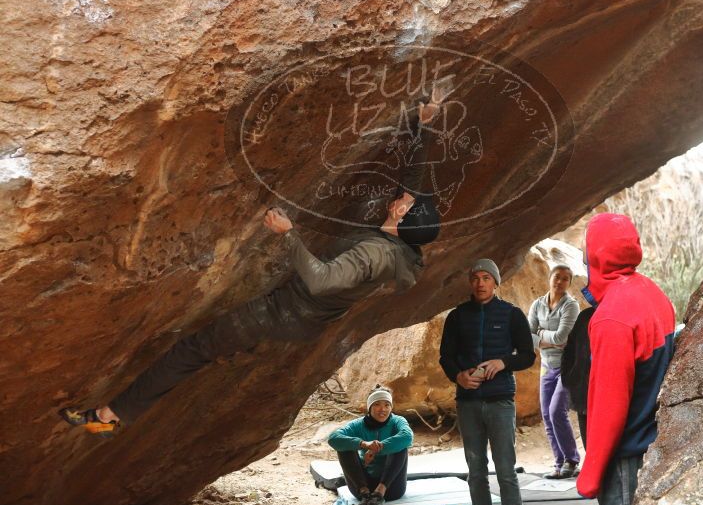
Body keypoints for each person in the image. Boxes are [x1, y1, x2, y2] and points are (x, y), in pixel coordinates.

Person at [59, 96, 447, 437]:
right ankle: (233, 349)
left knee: (192, 349)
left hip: (284, 313)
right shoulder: (401, 244)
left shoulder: (377, 255)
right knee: (215, 344)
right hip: (302, 316)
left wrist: (288, 233)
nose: (400, 200)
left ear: (401, 222)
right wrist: (424, 124)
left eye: (405, 206)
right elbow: (411, 181)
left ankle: (109, 417)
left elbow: (321, 281)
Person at [575, 213, 675, 505]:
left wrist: (591, 473)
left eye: (586, 243)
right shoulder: (651, 292)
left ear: (597, 253)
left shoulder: (611, 317)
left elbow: (610, 401)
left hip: (626, 457)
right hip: (654, 445)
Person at [439, 259, 535, 505]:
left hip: (500, 400)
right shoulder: (457, 316)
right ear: (470, 283)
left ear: (495, 282)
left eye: (486, 278)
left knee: (505, 469)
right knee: (476, 471)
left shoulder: (512, 314)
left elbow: (528, 355)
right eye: (475, 278)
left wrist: (504, 362)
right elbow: (445, 357)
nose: (480, 283)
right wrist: (458, 376)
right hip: (467, 402)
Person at [527, 265, 581, 479]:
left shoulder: (571, 306)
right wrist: (546, 339)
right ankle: (559, 464)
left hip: (567, 366)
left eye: (565, 279)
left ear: (569, 283)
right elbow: (527, 336)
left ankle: (572, 460)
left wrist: (540, 335)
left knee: (556, 410)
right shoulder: (537, 305)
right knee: (546, 415)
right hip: (546, 366)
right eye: (557, 277)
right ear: (550, 278)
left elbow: (562, 339)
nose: (560, 282)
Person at [327, 387, 412, 505]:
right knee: (344, 447)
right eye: (377, 404)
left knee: (400, 445)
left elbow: (407, 437)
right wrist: (363, 444)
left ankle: (379, 493)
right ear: (369, 407)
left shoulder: (398, 421)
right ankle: (365, 493)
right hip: (362, 491)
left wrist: (376, 448)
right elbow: (333, 438)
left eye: (387, 405)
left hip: (392, 488)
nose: (383, 409)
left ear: (391, 407)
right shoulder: (358, 425)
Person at [560, 306, 596, 448]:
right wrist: (569, 379)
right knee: (589, 447)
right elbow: (570, 349)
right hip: (583, 396)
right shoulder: (585, 316)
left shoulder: (619, 314)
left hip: (607, 397)